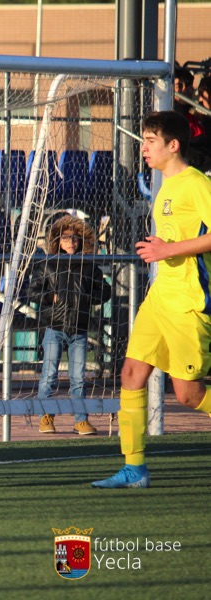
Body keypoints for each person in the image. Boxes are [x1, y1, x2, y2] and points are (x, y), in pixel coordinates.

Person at [92, 111, 211, 489]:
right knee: (131, 375)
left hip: (189, 303)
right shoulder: (163, 185)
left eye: (150, 141)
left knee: (188, 395)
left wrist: (169, 249)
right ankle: (134, 468)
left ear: (173, 145)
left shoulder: (196, 184)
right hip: (160, 298)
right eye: (143, 141)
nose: (144, 149)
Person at [29, 215, 111, 436]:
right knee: (49, 375)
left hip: (79, 329)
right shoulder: (48, 263)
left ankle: (80, 419)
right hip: (54, 327)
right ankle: (46, 416)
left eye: (75, 238)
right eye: (66, 238)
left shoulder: (88, 266)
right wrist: (50, 297)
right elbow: (33, 291)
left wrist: (87, 297)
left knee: (78, 378)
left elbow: (105, 291)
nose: (71, 242)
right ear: (58, 240)